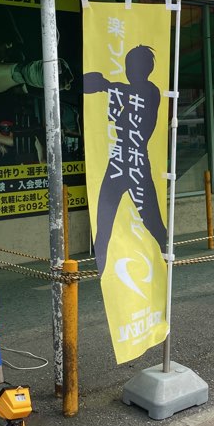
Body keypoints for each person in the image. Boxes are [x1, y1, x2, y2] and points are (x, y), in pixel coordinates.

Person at [84, 45, 167, 273]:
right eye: (128, 65)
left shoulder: (150, 91)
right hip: (119, 160)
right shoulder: (127, 92)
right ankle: (102, 268)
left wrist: (105, 85)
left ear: (146, 69)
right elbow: (114, 106)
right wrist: (104, 86)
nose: (130, 70)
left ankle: (166, 257)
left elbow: (129, 91)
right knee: (104, 219)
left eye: (134, 66)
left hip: (136, 161)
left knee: (152, 221)